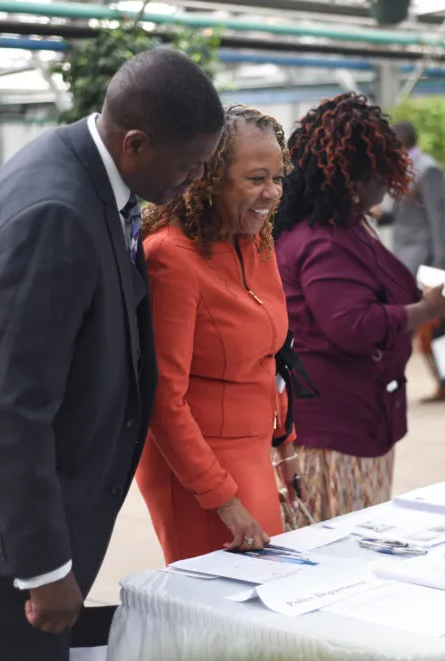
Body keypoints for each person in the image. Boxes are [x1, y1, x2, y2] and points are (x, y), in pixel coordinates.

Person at [0, 49, 224, 661]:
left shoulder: (87, 168)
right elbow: (12, 404)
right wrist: (42, 567)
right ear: (137, 144)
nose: (194, 181)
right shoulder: (55, 214)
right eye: (191, 166)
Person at [275, 92, 445, 521]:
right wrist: (426, 310)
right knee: (337, 552)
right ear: (353, 181)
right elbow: (353, 325)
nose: (387, 187)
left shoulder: (345, 226)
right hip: (334, 433)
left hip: (358, 419)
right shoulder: (323, 241)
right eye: (380, 175)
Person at [135, 105, 300, 562]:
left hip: (252, 452)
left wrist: (283, 445)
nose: (272, 193)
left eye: (278, 177)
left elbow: (268, 359)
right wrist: (222, 499)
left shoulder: (256, 242)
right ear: (208, 178)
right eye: (255, 179)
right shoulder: (169, 258)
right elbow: (163, 399)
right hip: (197, 468)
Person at [381, 120, 445, 403]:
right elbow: (405, 214)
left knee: (435, 326)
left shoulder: (429, 170)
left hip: (426, 260)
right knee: (424, 327)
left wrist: (440, 265)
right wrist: (383, 215)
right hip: (404, 259)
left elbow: (439, 220)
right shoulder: (403, 169)